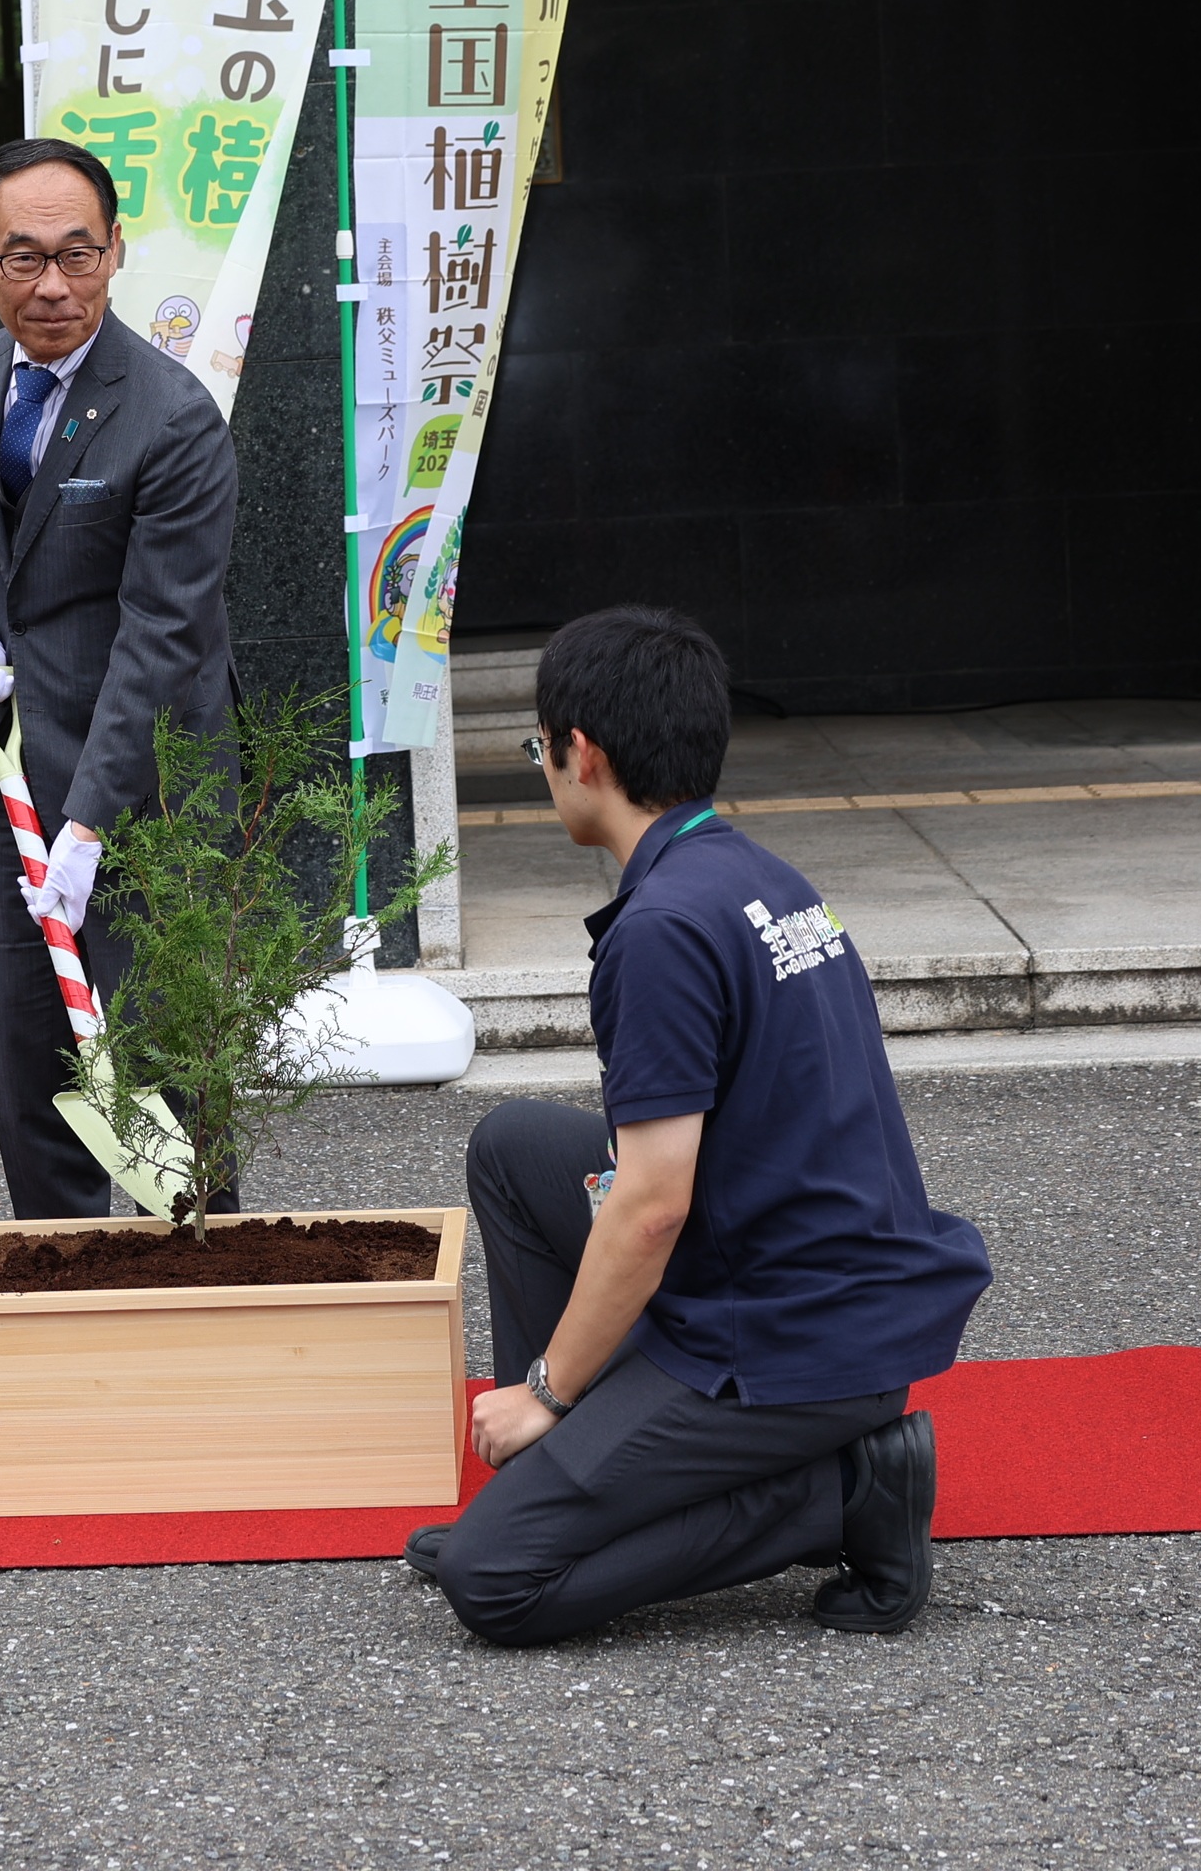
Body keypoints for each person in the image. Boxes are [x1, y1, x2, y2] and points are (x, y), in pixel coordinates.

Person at [420, 606, 992, 1648]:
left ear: (582, 753)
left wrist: (550, 1388)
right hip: (826, 1283)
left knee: (493, 1577)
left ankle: (847, 1490)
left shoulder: (662, 932)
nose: (545, 771)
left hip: (787, 1337)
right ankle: (561, 1476)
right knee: (514, 1148)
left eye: (539, 750)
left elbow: (651, 1207)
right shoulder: (757, 876)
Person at [0, 135, 236, 1219]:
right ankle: (63, 1274)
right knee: (37, 1060)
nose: (53, 284)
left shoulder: (172, 415)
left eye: (78, 254)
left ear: (116, 251)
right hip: (13, 781)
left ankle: (194, 1274)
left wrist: (91, 825)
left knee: (158, 1065)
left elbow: (162, 633)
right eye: (24, 257)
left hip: (146, 793)